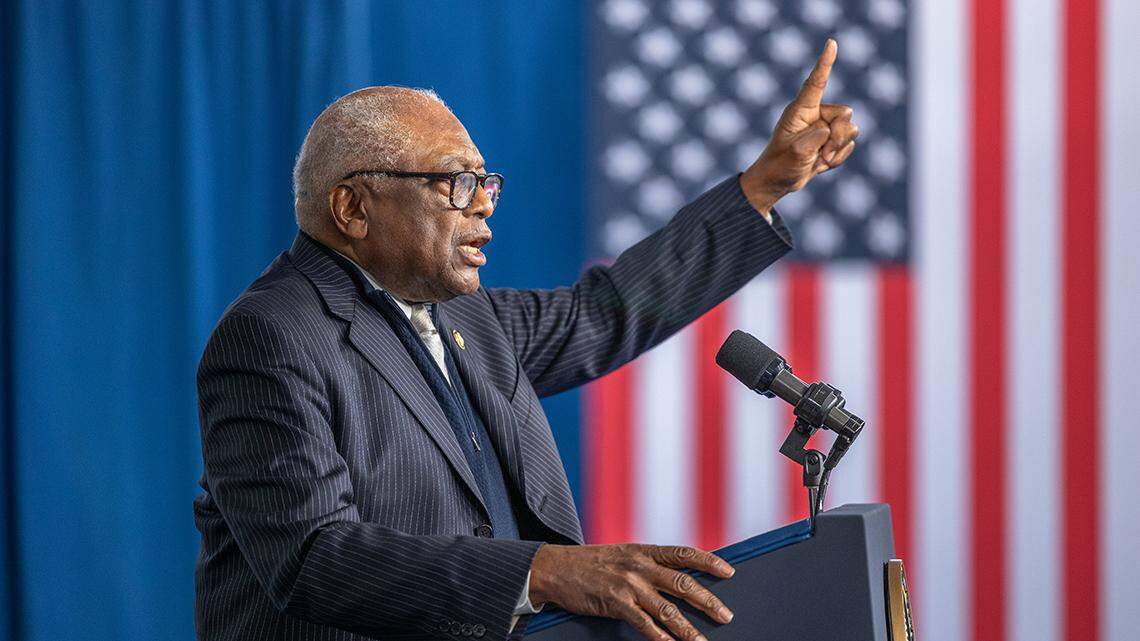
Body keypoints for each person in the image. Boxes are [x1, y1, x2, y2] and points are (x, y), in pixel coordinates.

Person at [194, 39, 857, 641]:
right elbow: (313, 557)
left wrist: (765, 184)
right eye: (454, 182)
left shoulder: (469, 317)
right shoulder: (272, 336)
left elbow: (607, 312)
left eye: (485, 181)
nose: (483, 201)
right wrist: (541, 571)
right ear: (353, 208)